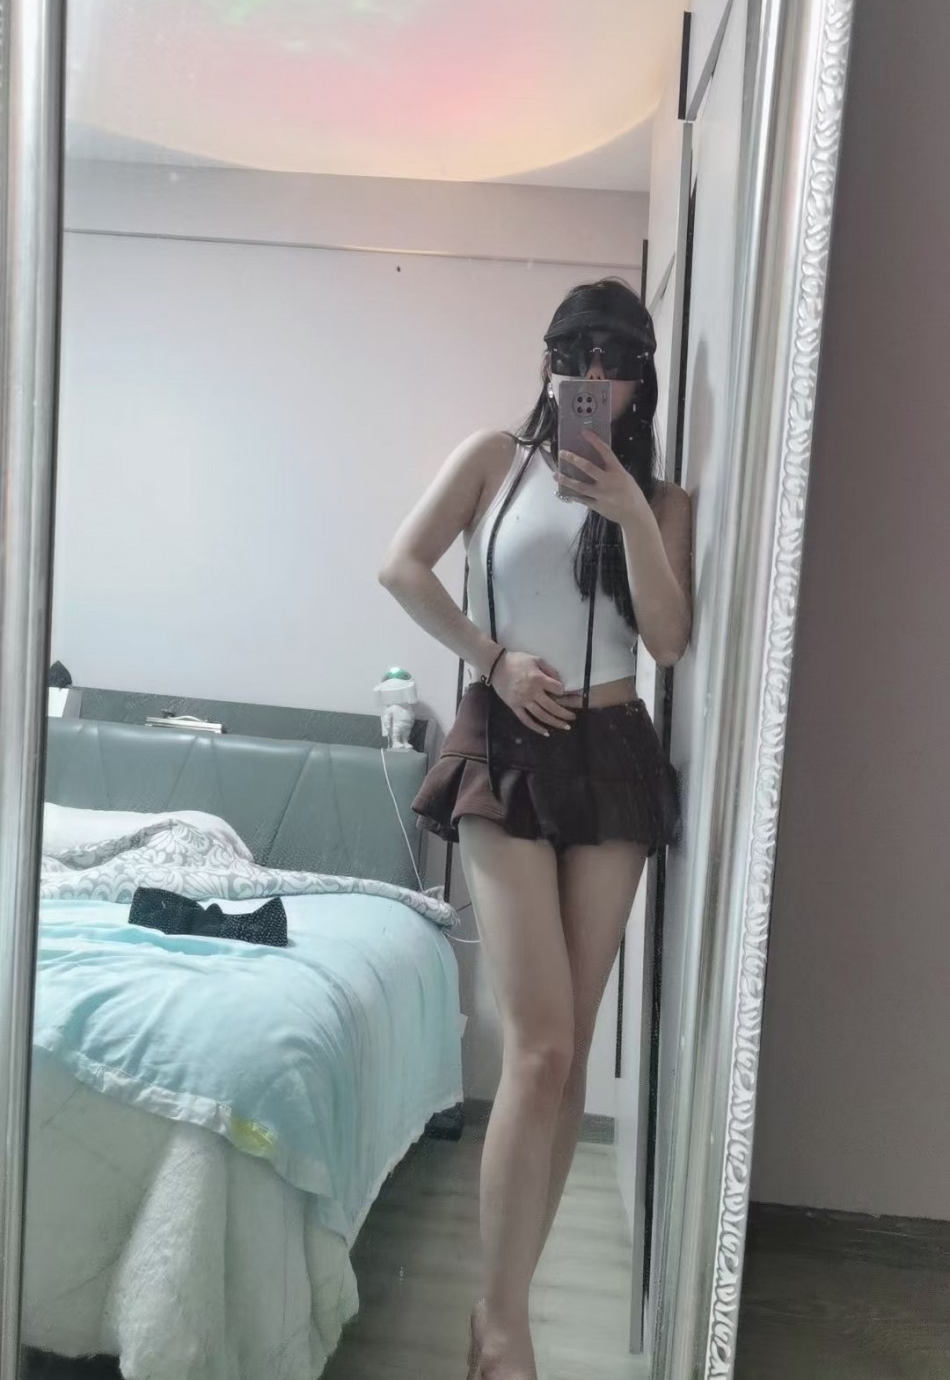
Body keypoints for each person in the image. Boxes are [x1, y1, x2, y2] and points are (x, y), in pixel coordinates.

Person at [379, 277, 692, 1380]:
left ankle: (498, 1313)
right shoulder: (493, 460)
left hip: (611, 754)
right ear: (550, 361)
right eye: (577, 355)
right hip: (506, 744)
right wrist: (493, 657)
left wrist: (631, 511)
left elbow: (667, 639)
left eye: (618, 361)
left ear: (641, 379)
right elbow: (401, 564)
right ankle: (505, 1327)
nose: (594, 376)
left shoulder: (660, 499)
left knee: (565, 1060)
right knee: (542, 1043)